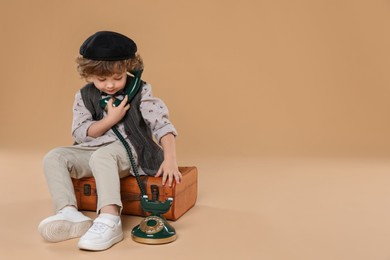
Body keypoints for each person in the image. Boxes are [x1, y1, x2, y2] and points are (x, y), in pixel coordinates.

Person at [38, 31, 182, 251]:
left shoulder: (141, 91)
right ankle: (68, 212)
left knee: (103, 157)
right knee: (54, 156)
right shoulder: (84, 96)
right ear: (88, 74)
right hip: (93, 148)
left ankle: (109, 218)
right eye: (101, 79)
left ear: (130, 69)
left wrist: (170, 159)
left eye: (118, 77)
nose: (110, 86)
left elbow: (162, 125)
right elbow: (80, 132)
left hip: (131, 150)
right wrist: (110, 119)